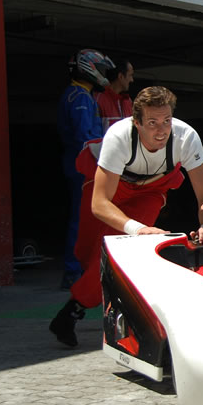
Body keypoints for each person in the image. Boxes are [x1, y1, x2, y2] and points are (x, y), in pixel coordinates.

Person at [49, 86, 203, 347]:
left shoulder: (186, 137)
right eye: (152, 123)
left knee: (114, 252)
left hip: (150, 191)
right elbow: (100, 204)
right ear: (136, 122)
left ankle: (73, 311)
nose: (161, 130)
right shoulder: (118, 136)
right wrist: (138, 228)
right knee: (87, 252)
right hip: (109, 189)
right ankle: (88, 300)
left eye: (166, 121)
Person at [57, 49, 115, 290]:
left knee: (84, 218)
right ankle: (74, 270)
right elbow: (87, 139)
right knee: (82, 220)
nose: (103, 75)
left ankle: (80, 269)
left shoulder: (81, 94)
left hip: (80, 165)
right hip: (83, 167)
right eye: (100, 70)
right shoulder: (79, 97)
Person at [96, 58, 134, 132]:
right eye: (130, 75)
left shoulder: (128, 101)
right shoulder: (98, 99)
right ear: (121, 76)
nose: (132, 80)